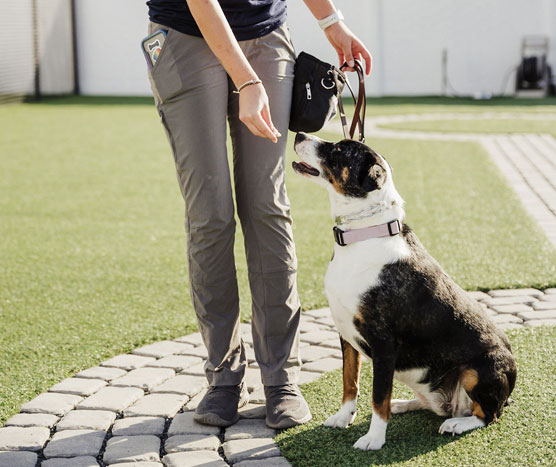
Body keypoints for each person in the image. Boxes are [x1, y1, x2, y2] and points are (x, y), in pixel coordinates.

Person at [145, 0, 371, 429]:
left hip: (265, 36)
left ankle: (281, 378)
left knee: (267, 207)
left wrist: (331, 22)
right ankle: (223, 378)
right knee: (210, 215)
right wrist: (245, 80)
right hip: (185, 35)